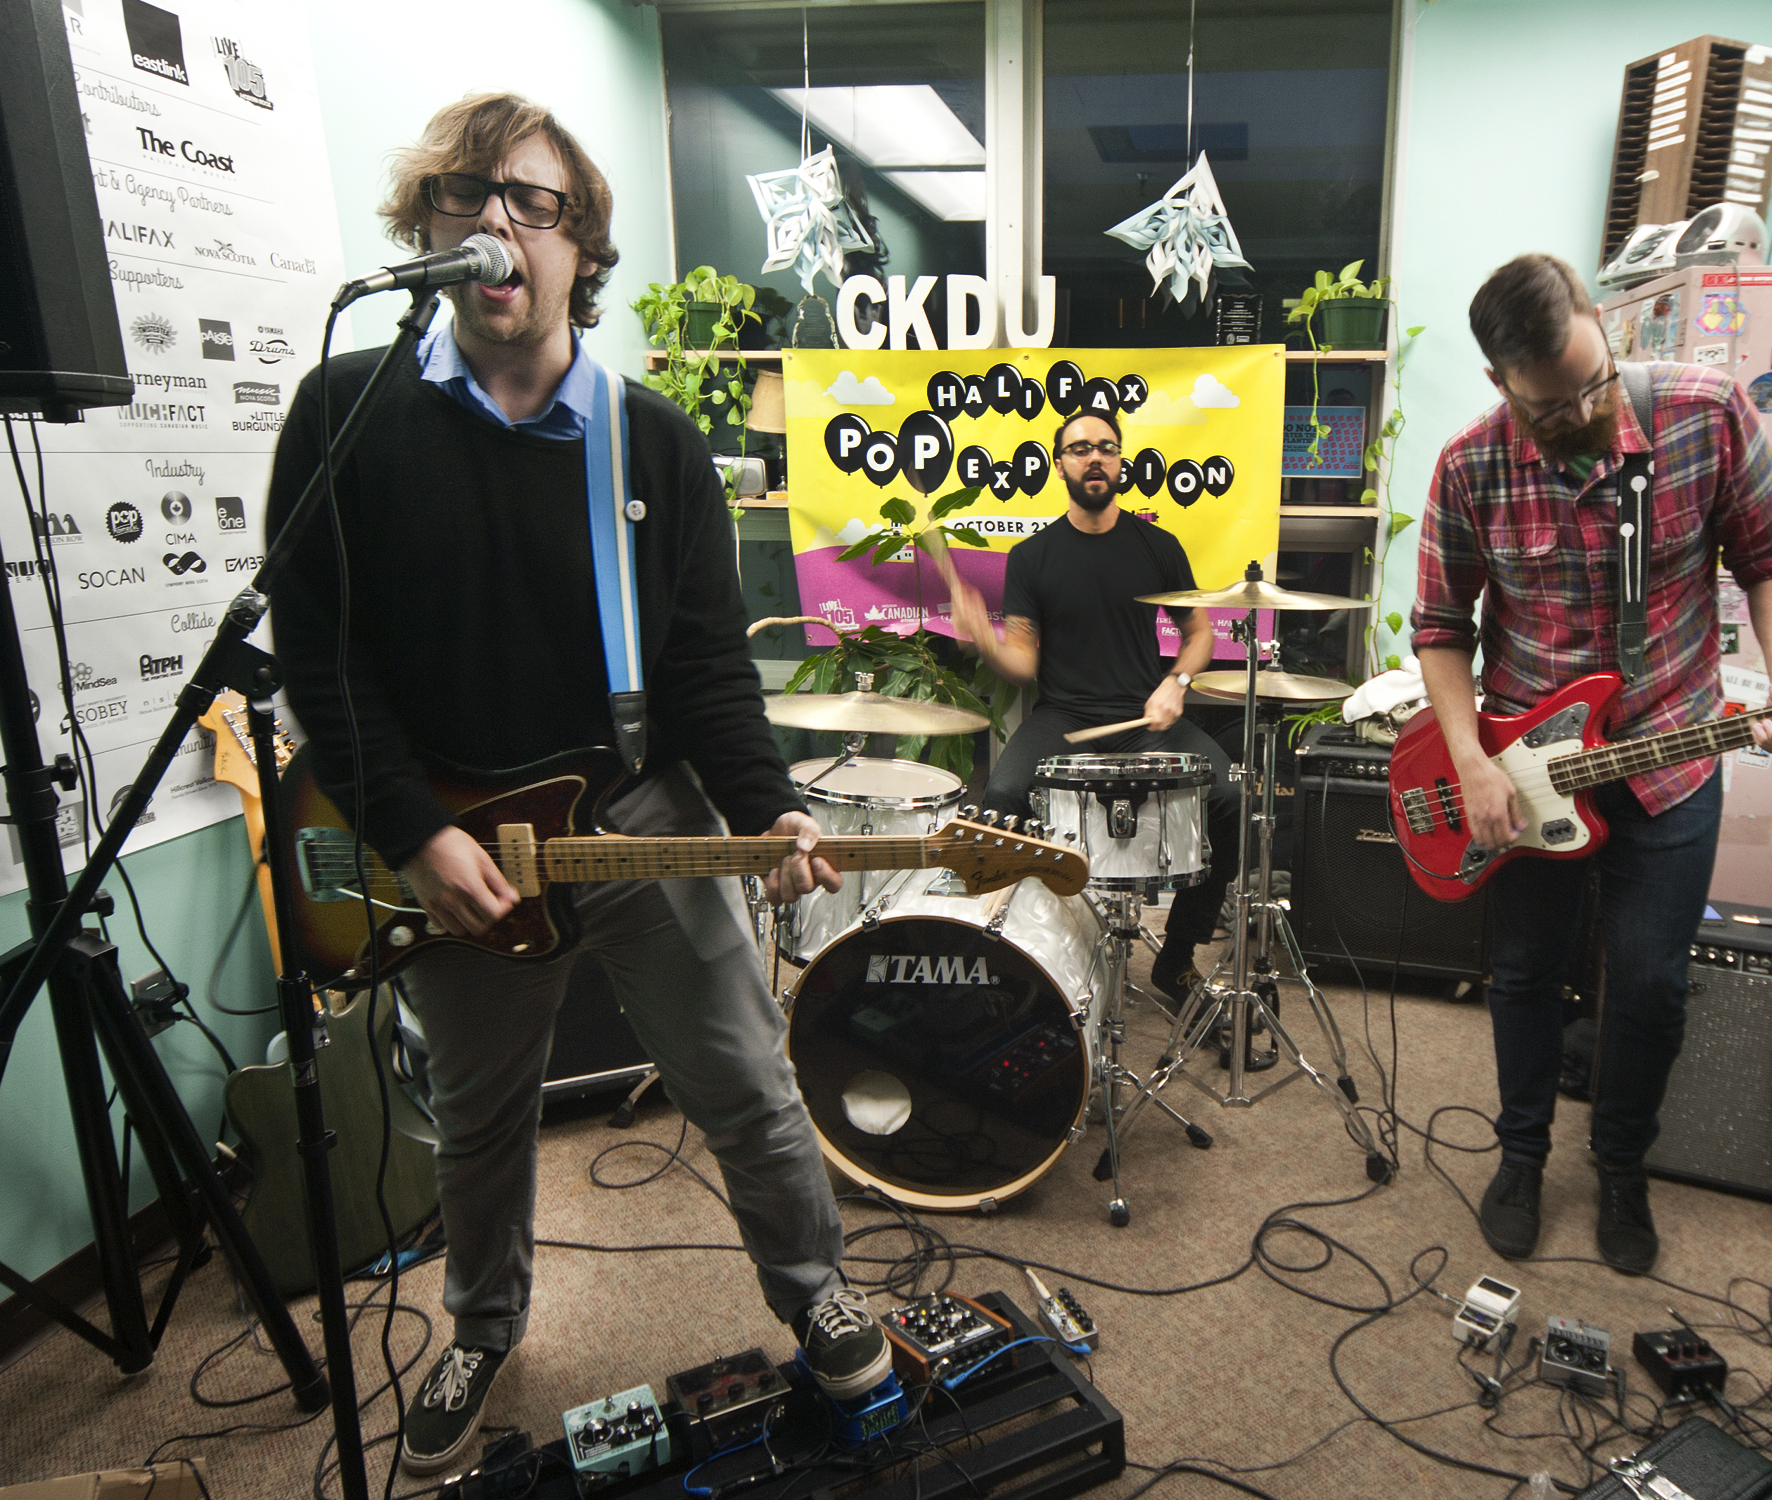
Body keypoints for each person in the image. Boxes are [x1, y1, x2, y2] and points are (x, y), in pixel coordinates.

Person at [266, 94, 889, 1477]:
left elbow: (708, 667)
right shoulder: (346, 414)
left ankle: (815, 1291)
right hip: (447, 832)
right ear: (428, 225)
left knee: (742, 1078)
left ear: (580, 246)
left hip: (632, 811)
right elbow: (320, 654)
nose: (496, 223)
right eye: (466, 196)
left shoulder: (646, 442)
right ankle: (482, 1325)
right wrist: (411, 831)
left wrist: (769, 807)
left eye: (533, 203)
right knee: (480, 1114)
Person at [1410, 254, 1772, 1275]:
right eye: (1550, 406)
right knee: (1525, 972)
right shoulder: (1470, 466)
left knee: (1648, 985)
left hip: (1670, 751)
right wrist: (1471, 761)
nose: (1582, 415)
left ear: (1604, 327)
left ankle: (1621, 1166)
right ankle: (1520, 1155)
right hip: (1529, 768)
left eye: (1592, 384)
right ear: (1501, 383)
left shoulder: (1706, 413)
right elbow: (1440, 625)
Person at [944, 409, 1244, 1026]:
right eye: (1080, 449)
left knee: (1230, 797)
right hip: (1064, 717)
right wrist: (985, 642)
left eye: (1106, 447)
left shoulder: (1158, 546)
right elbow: (1023, 664)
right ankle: (1021, 953)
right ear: (1061, 466)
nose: (1095, 457)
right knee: (1001, 796)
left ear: (1119, 459)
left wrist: (1176, 683)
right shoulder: (1033, 556)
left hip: (1146, 717)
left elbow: (1199, 634)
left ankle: (1177, 956)